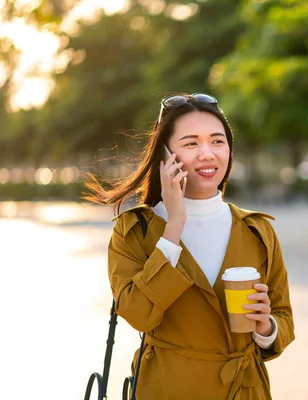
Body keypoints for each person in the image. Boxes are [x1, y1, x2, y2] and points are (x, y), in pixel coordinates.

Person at [84, 93, 295, 399]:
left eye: (217, 141)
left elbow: (284, 318)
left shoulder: (257, 230)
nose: (207, 153)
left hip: (245, 390)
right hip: (167, 389)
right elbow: (139, 315)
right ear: (166, 155)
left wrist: (266, 327)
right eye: (192, 143)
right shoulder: (135, 231)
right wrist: (174, 226)